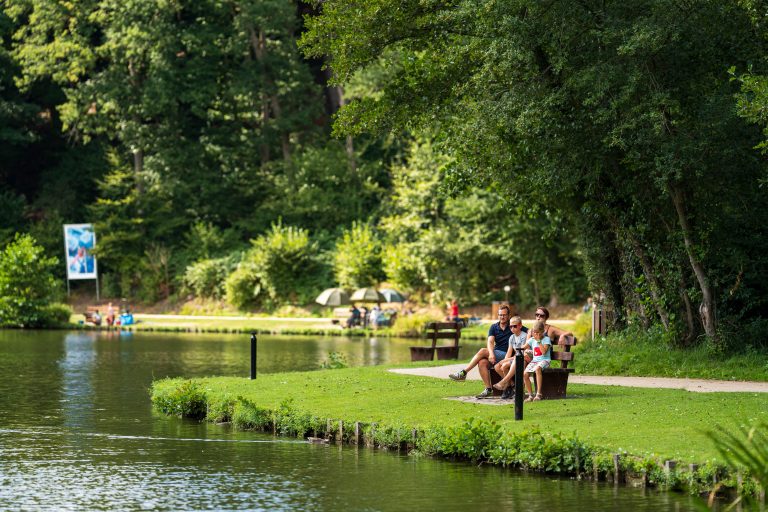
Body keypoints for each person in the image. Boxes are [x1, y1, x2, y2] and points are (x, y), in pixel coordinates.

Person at [448, 304, 513, 398]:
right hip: (496, 354)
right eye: (500, 315)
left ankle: (463, 373)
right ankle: (488, 389)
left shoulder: (513, 326)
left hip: (507, 356)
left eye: (504, 315)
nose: (502, 317)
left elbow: (527, 331)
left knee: (482, 351)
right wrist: (491, 354)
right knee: (482, 362)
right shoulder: (494, 327)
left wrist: (531, 333)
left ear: (508, 316)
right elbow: (490, 341)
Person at [491, 315, 531, 399]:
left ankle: (504, 382)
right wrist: (504, 360)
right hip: (516, 358)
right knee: (497, 366)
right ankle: (512, 386)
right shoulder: (512, 337)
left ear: (520, 325)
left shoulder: (524, 336)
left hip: (524, 359)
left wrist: (506, 360)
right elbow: (509, 352)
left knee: (507, 365)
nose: (512, 328)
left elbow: (522, 354)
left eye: (514, 326)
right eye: (510, 326)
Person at [523, 320, 552, 402]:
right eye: (535, 332)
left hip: (545, 360)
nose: (537, 335)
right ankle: (530, 395)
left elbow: (543, 352)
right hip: (535, 361)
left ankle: (538, 394)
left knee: (537, 369)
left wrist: (539, 341)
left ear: (543, 331)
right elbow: (524, 346)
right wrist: (520, 349)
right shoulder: (532, 339)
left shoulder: (546, 339)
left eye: (539, 333)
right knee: (525, 374)